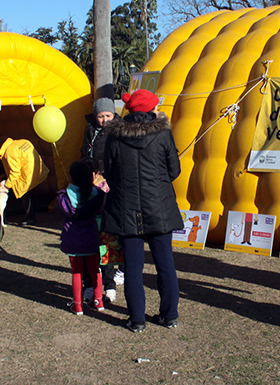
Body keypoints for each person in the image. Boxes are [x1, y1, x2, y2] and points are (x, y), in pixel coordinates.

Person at [101, 89, 184, 333]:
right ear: (150, 109)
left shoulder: (115, 136)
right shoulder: (163, 133)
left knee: (132, 268)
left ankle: (137, 319)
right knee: (165, 264)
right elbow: (174, 170)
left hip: (126, 209)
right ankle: (169, 315)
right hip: (159, 208)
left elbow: (110, 171)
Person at [82, 97, 123, 302]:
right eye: (101, 116)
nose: (104, 120)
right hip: (92, 182)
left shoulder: (117, 130)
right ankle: (92, 282)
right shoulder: (89, 130)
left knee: (109, 238)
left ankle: (112, 277)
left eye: (108, 115)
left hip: (109, 184)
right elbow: (84, 153)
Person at [56, 159, 107, 315]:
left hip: (73, 240)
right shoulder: (97, 195)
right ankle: (98, 300)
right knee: (95, 270)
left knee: (77, 272)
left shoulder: (63, 196)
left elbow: (60, 212)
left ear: (71, 177)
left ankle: (77, 304)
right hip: (91, 238)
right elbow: (99, 212)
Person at [0, 137, 48, 226]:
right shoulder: (23, 142)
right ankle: (32, 216)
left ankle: (30, 218)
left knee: (26, 197)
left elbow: (15, 172)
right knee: (32, 195)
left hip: (26, 177)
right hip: (36, 172)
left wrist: (7, 185)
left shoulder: (9, 152)